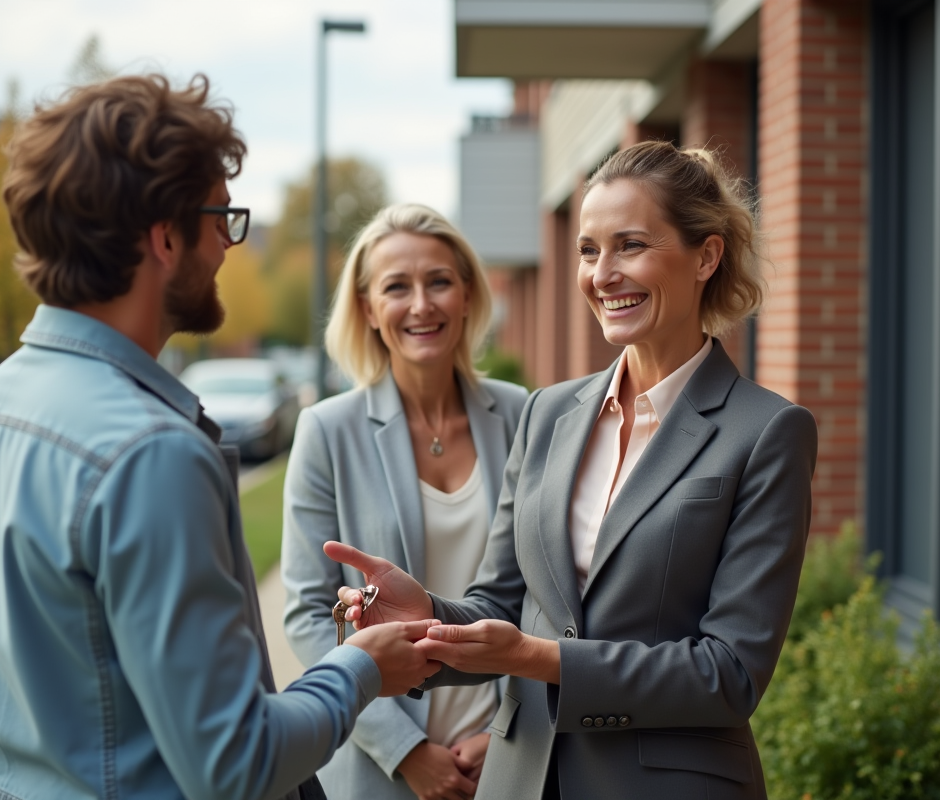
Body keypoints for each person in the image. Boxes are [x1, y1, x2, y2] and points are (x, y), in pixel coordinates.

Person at [0, 74, 440, 800]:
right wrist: (360, 667)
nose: (229, 247)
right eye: (221, 219)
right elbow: (235, 764)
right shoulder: (150, 454)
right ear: (165, 236)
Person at [327, 140, 819, 800]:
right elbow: (502, 604)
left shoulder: (765, 433)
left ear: (706, 255)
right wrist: (427, 619)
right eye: (589, 250)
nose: (602, 273)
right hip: (519, 779)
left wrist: (534, 657)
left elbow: (729, 673)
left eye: (631, 245)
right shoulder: (550, 413)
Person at [281, 204, 529, 800]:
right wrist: (407, 750)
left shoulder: (523, 414)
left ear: (467, 295)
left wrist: (509, 730)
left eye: (439, 281)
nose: (421, 304)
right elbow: (310, 615)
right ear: (368, 308)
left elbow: (548, 598)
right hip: (377, 769)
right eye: (397, 287)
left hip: (508, 760)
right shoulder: (326, 430)